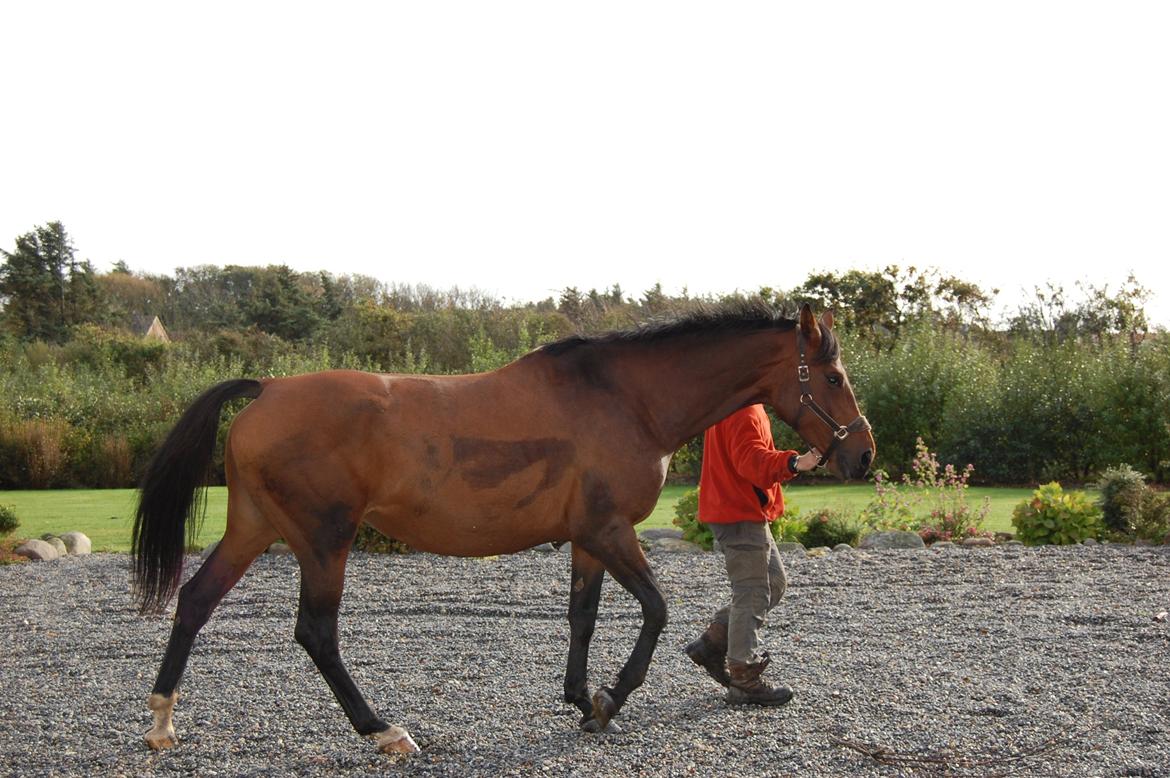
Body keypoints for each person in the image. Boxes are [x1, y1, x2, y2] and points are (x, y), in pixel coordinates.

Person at [683, 403, 819, 705]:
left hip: (737, 509)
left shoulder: (735, 403)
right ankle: (743, 677)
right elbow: (751, 462)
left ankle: (714, 640)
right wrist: (796, 462)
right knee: (753, 592)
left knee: (773, 582)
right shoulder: (742, 409)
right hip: (738, 513)